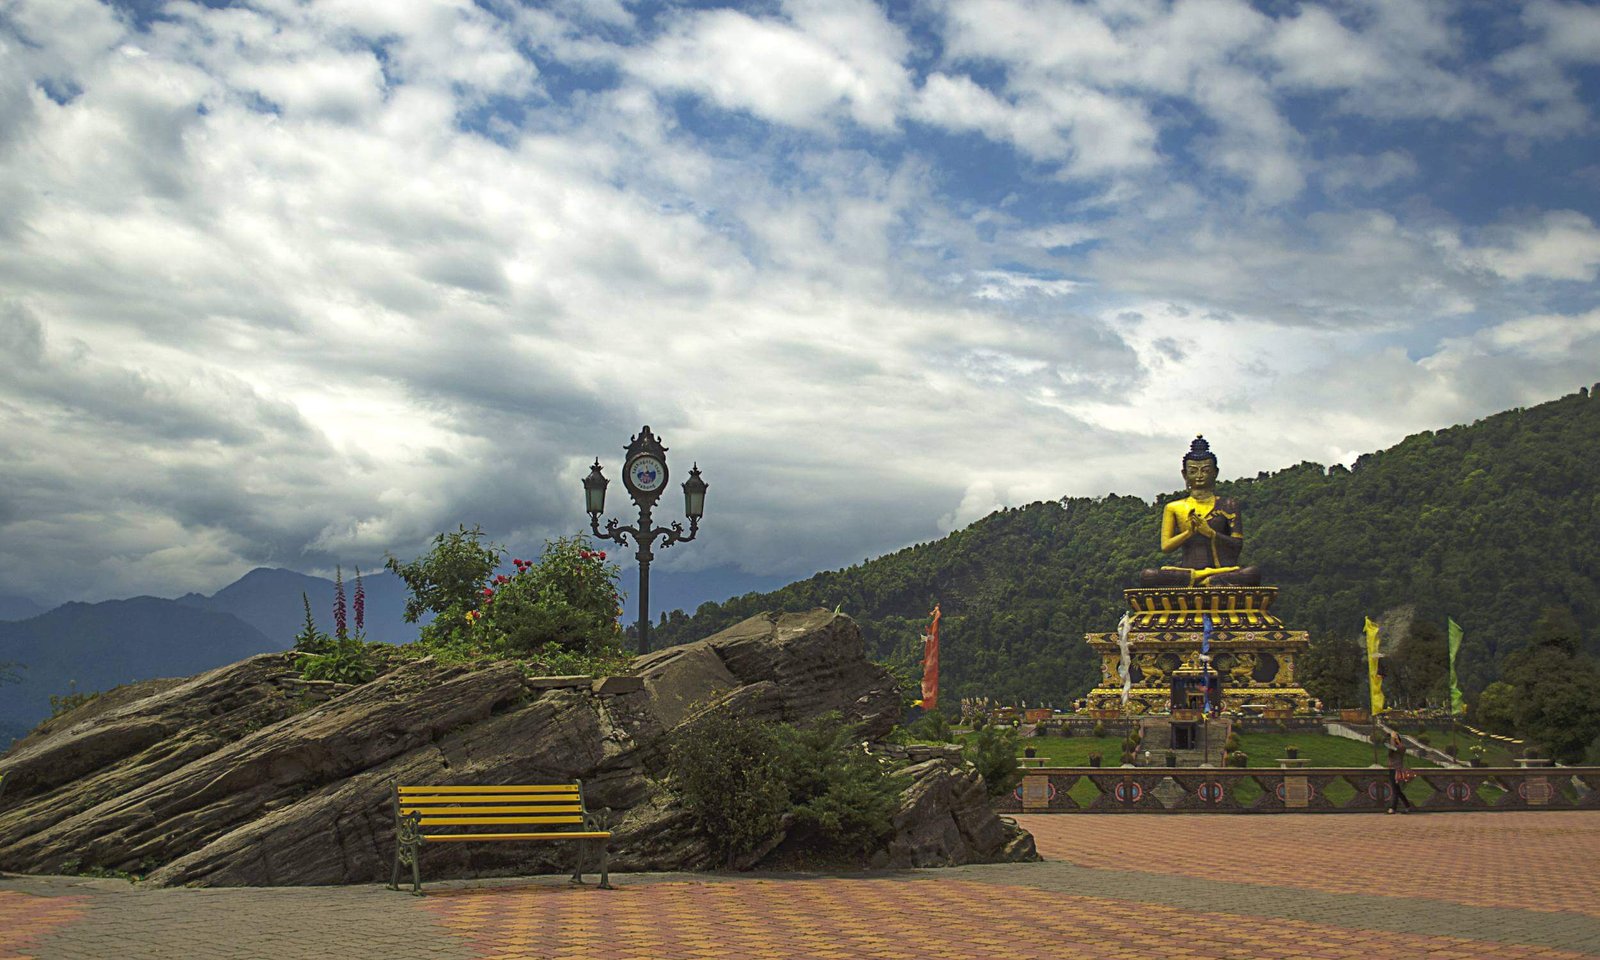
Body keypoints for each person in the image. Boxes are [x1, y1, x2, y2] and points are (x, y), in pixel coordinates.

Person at [1141, 436, 1262, 587]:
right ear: (1184, 474)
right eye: (1193, 471)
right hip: (1188, 570)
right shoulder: (1174, 507)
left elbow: (1237, 544)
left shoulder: (1228, 504)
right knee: (1148, 576)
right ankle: (1204, 577)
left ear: (1215, 473)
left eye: (1205, 470)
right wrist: (1188, 533)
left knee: (1252, 573)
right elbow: (1166, 547)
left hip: (1222, 570)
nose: (1199, 476)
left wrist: (1210, 533)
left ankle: (1208, 579)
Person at [1387, 729, 1415, 814]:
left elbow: (1401, 747)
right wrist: (1392, 739)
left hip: (1397, 770)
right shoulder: (1392, 748)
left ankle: (1393, 808)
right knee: (1397, 790)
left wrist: (1394, 738)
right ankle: (1408, 806)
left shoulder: (1400, 748)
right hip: (1392, 770)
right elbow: (1392, 748)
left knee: (1395, 790)